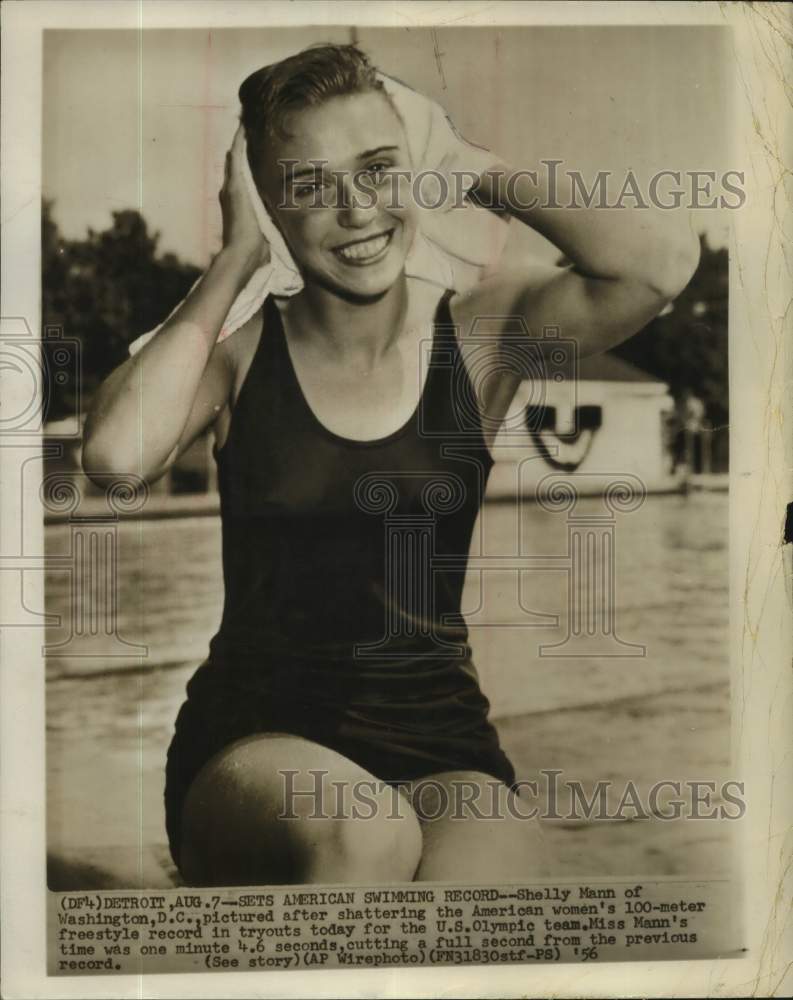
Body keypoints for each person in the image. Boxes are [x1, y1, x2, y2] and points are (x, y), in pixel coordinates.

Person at [82, 44, 700, 886]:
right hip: (254, 747)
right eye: (308, 185)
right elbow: (116, 459)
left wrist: (462, 160)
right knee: (363, 834)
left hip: (441, 743)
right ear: (269, 206)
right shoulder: (232, 361)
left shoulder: (481, 340)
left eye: (378, 169)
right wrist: (232, 262)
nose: (354, 209)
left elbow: (657, 261)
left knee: (490, 897)